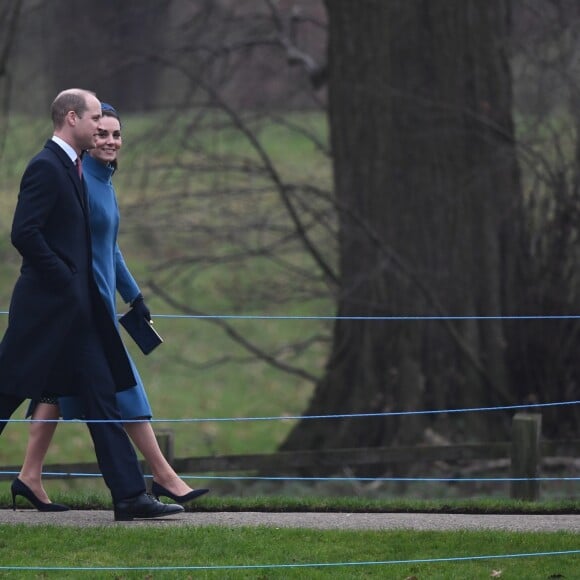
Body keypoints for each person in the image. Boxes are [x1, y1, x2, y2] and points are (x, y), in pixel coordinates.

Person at [0, 88, 183, 521]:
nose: (101, 125)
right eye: (95, 117)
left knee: (103, 396)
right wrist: (66, 278)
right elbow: (25, 233)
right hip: (45, 314)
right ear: (70, 119)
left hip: (80, 316)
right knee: (5, 392)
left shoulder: (77, 169)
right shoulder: (46, 167)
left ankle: (129, 497)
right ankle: (126, 493)